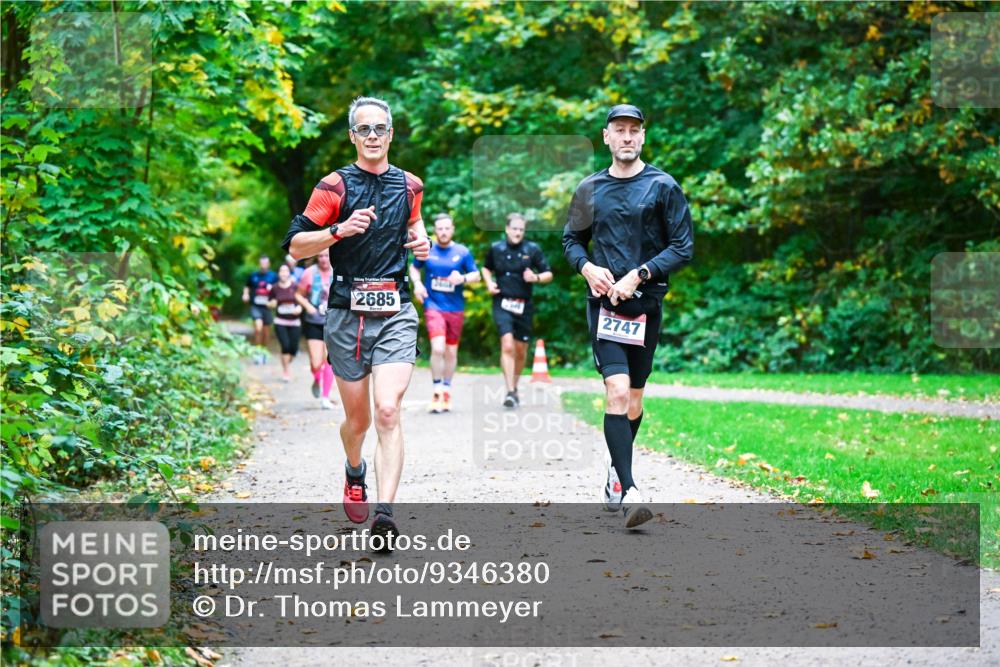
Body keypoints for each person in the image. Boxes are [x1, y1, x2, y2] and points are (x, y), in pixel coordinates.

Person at [283, 96, 430, 545]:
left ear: (390, 134)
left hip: (395, 311)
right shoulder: (334, 186)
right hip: (347, 314)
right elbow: (295, 245)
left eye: (379, 129)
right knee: (359, 421)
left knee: (388, 410)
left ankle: (385, 514)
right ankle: (354, 469)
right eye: (363, 129)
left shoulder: (410, 185)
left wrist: (420, 242)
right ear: (352, 136)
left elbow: (415, 227)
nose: (372, 137)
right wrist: (338, 231)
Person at [562, 104, 694, 529]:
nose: (627, 137)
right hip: (604, 307)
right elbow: (571, 241)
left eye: (634, 131)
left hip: (645, 304)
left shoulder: (663, 186)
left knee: (634, 398)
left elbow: (682, 246)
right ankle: (632, 488)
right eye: (619, 130)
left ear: (643, 136)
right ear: (606, 137)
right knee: (616, 391)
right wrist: (587, 267)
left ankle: (616, 470)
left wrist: (640, 274)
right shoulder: (589, 189)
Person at [409, 212, 480, 413]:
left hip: (455, 308)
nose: (443, 232)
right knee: (438, 349)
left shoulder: (462, 252)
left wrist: (463, 279)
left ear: (452, 229)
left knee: (450, 352)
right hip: (433, 307)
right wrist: (417, 284)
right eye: (439, 228)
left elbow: (476, 275)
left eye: (447, 228)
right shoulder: (427, 249)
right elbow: (414, 268)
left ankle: (447, 389)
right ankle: (437, 389)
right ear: (435, 230)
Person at [481, 213, 552, 408]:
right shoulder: (496, 249)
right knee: (507, 345)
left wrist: (536, 278)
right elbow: (486, 268)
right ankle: (510, 390)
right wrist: (489, 283)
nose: (518, 232)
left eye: (521, 229)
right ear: (507, 229)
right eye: (514, 228)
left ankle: (515, 386)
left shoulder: (532, 249)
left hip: (524, 305)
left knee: (521, 351)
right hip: (502, 302)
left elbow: (548, 274)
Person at [295, 249, 336, 410]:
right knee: (316, 361)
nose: (323, 259)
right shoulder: (309, 273)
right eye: (320, 256)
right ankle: (316, 377)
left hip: (333, 321)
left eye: (326, 255)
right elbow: (298, 294)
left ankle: (325, 397)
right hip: (313, 321)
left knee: (329, 360)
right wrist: (307, 307)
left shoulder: (339, 270)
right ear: (316, 258)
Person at [269, 263, 302, 382]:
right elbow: (270, 302)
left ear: (289, 273)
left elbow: (301, 301)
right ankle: (286, 371)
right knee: (285, 346)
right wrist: (271, 303)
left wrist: (299, 308)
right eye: (281, 271)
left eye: (285, 271)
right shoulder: (274, 288)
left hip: (294, 322)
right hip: (280, 322)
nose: (283, 273)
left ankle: (287, 362)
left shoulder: (295, 286)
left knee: (293, 348)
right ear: (278, 274)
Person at [241, 254, 277, 365]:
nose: (263, 265)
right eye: (262, 263)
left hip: (267, 307)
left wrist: (274, 300)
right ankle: (257, 352)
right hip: (255, 306)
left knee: (266, 332)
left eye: (265, 263)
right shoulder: (253, 276)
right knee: (258, 328)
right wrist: (245, 294)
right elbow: (247, 286)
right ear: (259, 264)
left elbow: (278, 289)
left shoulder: (273, 276)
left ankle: (264, 352)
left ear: (268, 264)